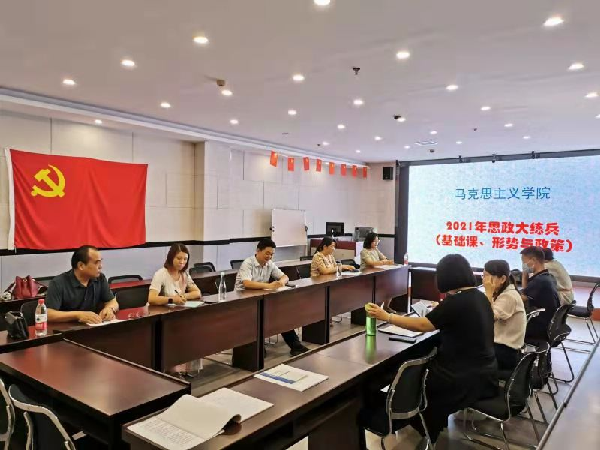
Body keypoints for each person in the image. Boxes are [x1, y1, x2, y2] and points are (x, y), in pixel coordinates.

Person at [365, 254, 497, 445]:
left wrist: (387, 316)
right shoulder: (479, 296)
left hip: (460, 377)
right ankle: (426, 423)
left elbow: (423, 325)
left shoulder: (456, 301)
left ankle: (405, 415)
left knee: (405, 370)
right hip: (484, 372)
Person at [235, 238, 309, 356]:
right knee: (257, 319)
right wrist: (269, 286)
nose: (269, 256)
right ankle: (256, 348)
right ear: (258, 251)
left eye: (272, 254)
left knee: (281, 316)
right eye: (267, 253)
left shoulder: (269, 264)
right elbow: (247, 283)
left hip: (261, 298)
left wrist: (280, 282)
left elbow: (285, 277)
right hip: (243, 302)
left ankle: (295, 346)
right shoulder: (248, 263)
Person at [45, 245, 119, 324]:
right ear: (81, 265)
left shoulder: (100, 278)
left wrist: (109, 309)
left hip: (93, 327)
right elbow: (48, 314)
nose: (101, 266)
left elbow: (112, 301)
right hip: (66, 328)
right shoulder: (58, 283)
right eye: (96, 263)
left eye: (100, 262)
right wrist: (78, 315)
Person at [483, 260, 526, 372]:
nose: (484, 281)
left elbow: (487, 318)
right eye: (483, 276)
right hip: (500, 347)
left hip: (505, 353)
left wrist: (488, 293)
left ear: (502, 279)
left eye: (487, 276)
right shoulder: (503, 293)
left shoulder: (509, 296)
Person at [520, 246, 560, 341]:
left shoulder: (540, 281)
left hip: (538, 327)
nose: (523, 265)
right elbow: (526, 292)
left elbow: (520, 299)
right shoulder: (548, 277)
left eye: (524, 261)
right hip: (549, 324)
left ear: (534, 260)